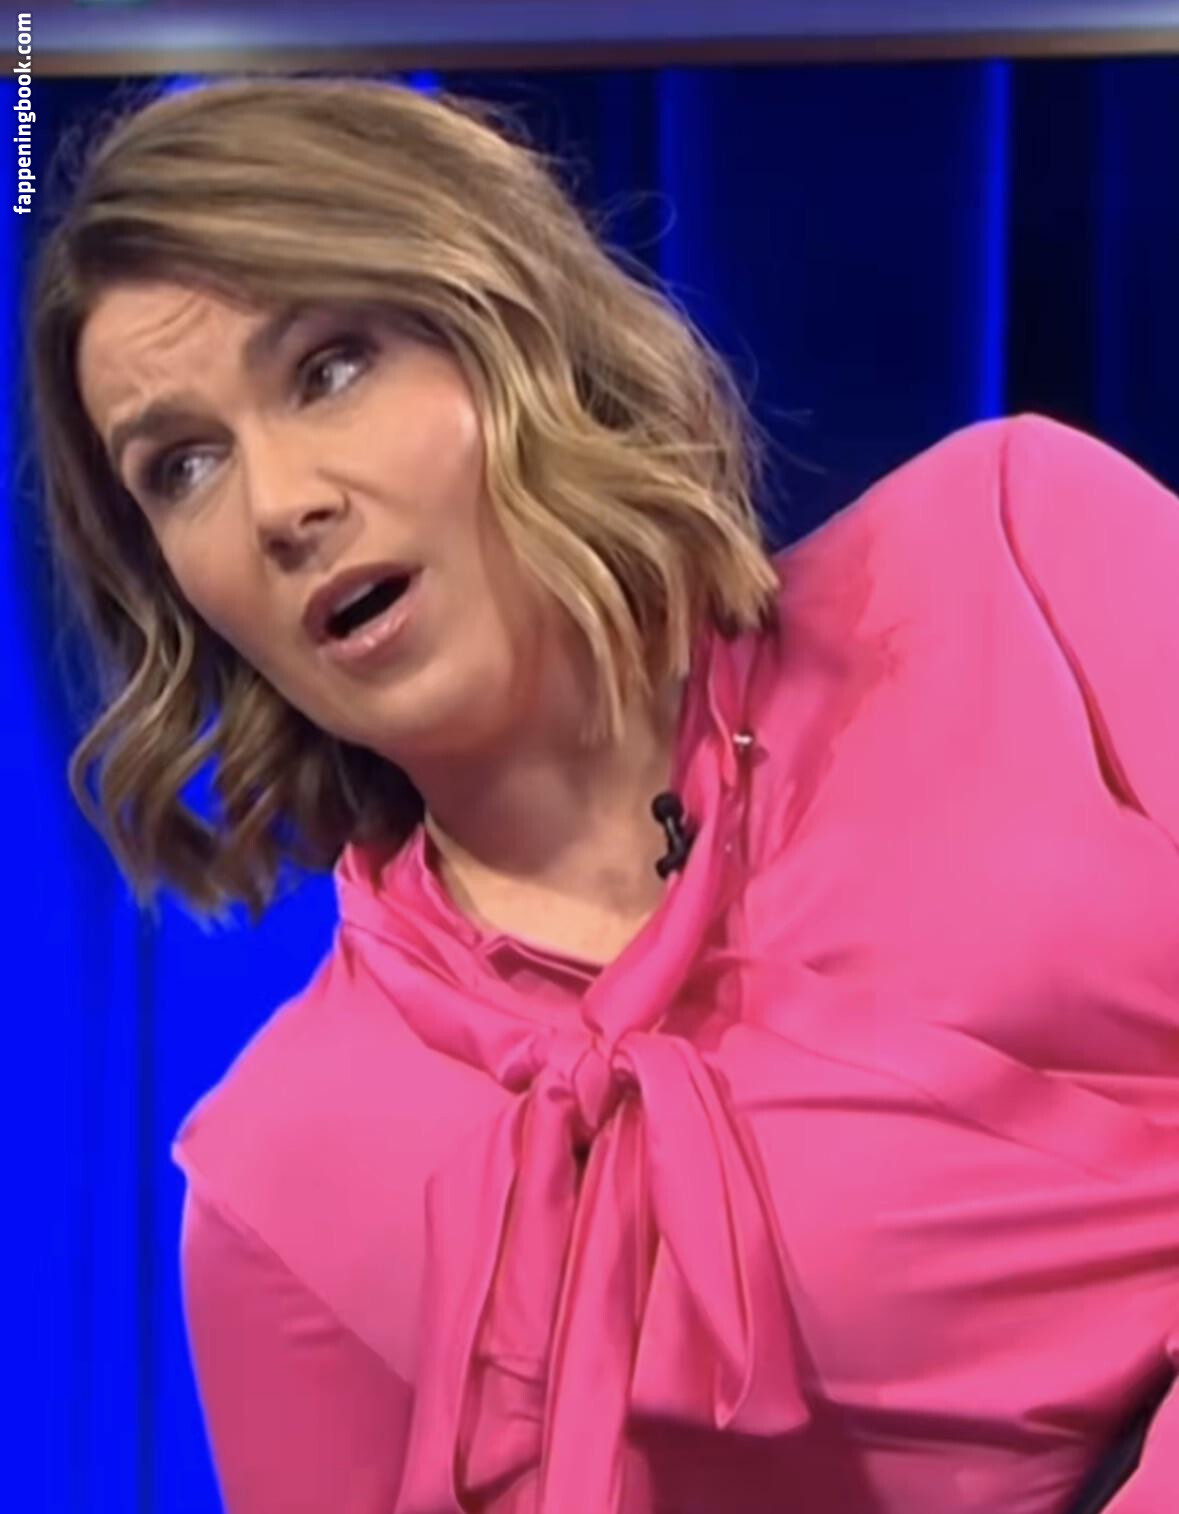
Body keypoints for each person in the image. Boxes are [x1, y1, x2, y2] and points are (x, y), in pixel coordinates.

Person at [30, 75, 1179, 1514]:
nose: (279, 504)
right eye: (184, 467)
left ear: (513, 330)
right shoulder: (289, 1184)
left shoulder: (1017, 555)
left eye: (328, 368)